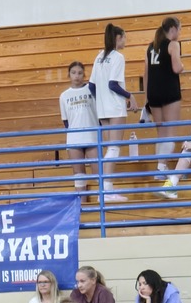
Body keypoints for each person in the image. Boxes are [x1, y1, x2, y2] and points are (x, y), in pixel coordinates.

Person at [89, 23, 138, 204]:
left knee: (109, 148)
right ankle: (107, 190)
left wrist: (101, 100)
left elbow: (92, 86)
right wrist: (130, 95)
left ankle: (106, 188)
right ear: (118, 38)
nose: (126, 40)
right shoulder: (118, 57)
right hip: (115, 108)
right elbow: (113, 84)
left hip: (102, 109)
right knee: (114, 148)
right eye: (125, 37)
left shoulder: (99, 57)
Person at [144, 17, 184, 173]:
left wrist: (147, 98)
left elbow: (145, 73)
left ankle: (160, 167)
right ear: (173, 28)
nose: (180, 32)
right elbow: (176, 68)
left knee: (160, 132)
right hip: (169, 90)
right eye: (180, 29)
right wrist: (183, 66)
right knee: (170, 131)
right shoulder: (173, 44)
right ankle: (162, 168)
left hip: (153, 93)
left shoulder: (150, 47)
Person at [59, 61, 98, 201]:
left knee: (98, 171)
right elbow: (66, 121)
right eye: (74, 73)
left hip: (92, 136)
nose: (77, 76)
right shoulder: (64, 96)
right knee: (78, 173)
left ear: (84, 75)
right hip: (74, 138)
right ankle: (82, 206)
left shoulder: (91, 90)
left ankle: (103, 202)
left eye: (80, 73)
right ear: (69, 75)